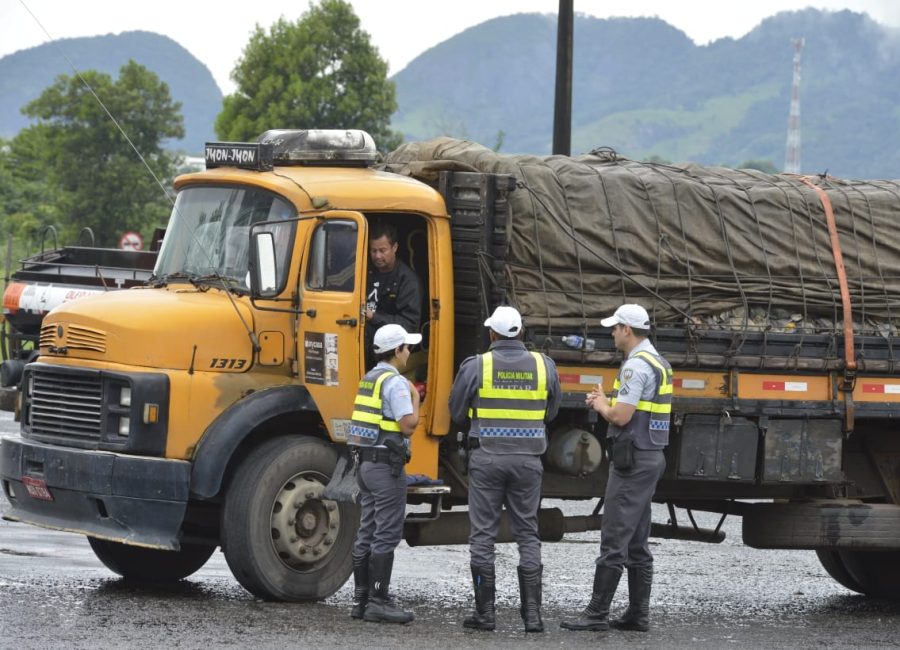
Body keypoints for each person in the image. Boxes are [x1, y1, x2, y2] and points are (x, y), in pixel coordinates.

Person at [560, 304, 673, 633]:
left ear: (627, 329)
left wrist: (600, 404)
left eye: (615, 328)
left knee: (614, 536)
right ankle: (638, 615)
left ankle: (596, 613)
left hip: (633, 460)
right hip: (650, 455)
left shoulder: (635, 367)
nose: (611, 333)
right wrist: (608, 401)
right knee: (637, 539)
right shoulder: (658, 362)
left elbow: (620, 417)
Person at [449, 305, 561, 633]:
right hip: (528, 461)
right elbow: (552, 412)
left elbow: (456, 410)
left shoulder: (477, 366)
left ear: (492, 334)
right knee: (527, 533)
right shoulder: (544, 366)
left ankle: (485, 614)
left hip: (487, 459)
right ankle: (533, 617)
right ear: (521, 333)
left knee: (483, 535)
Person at [348, 323, 422, 625]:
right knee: (387, 532)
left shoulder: (371, 378)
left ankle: (361, 599)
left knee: (367, 529)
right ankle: (378, 601)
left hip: (366, 464)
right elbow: (407, 425)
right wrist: (416, 401)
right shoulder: (395, 382)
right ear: (397, 351)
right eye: (407, 347)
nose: (410, 352)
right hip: (385, 466)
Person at [366, 221, 421, 334]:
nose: (377, 256)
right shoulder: (364, 270)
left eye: (382, 250)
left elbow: (409, 324)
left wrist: (373, 317)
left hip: (390, 343)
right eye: (373, 250)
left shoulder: (408, 280)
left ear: (394, 247)